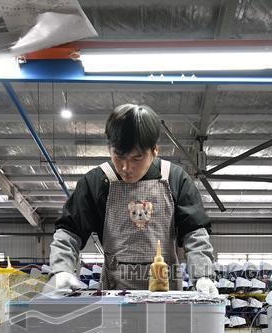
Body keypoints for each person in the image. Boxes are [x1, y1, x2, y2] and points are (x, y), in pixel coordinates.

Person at [46, 103, 218, 294]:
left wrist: (202, 275)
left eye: (136, 158)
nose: (126, 168)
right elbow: (69, 231)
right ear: (109, 148)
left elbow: (194, 232)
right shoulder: (97, 182)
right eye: (119, 156)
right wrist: (61, 269)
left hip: (166, 295)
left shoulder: (175, 179)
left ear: (155, 150)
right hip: (114, 295)